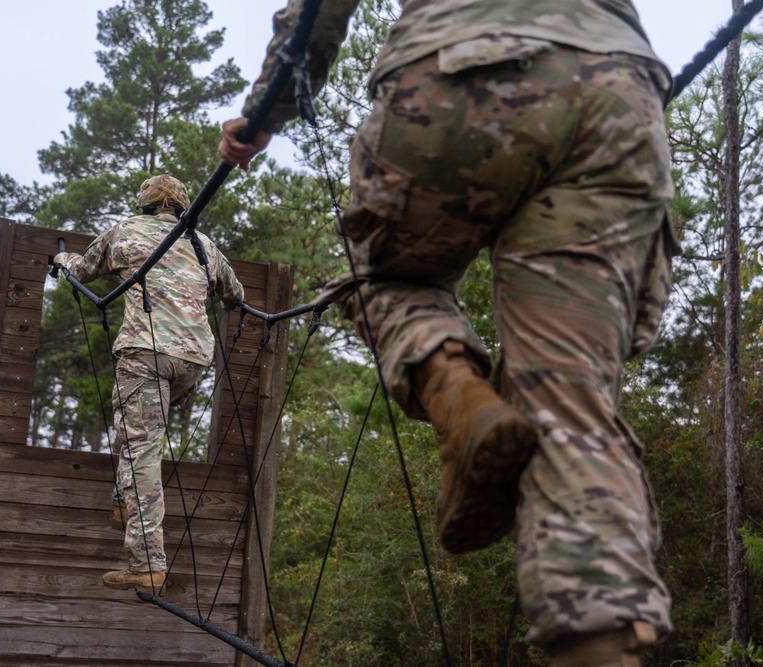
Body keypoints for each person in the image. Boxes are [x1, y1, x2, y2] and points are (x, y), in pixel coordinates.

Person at [219, 2, 679, 665]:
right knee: (568, 395)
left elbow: (316, 12)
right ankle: (602, 646)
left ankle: (457, 393)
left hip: (458, 69)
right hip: (620, 93)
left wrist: (264, 112)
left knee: (379, 279)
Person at [54, 174, 245, 595]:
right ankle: (125, 505)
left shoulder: (125, 230)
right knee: (137, 426)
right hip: (193, 360)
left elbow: (84, 269)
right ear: (181, 206)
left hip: (145, 352)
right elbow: (235, 293)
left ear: (143, 204)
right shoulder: (202, 244)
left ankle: (147, 563)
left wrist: (60, 261)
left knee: (141, 446)